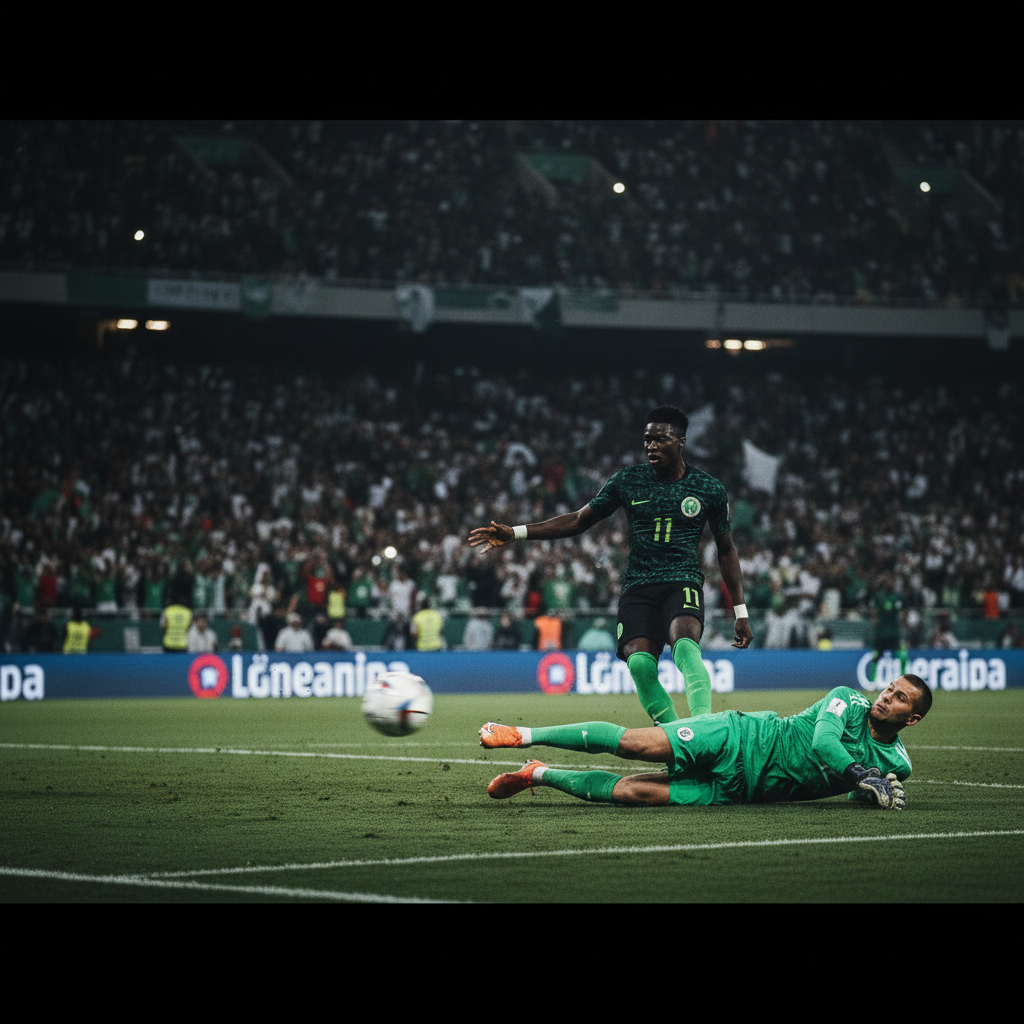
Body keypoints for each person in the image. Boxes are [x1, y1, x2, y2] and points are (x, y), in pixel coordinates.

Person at [470, 405, 752, 724]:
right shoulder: (628, 481)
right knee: (640, 665)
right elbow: (578, 520)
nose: (651, 446)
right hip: (638, 587)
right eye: (647, 440)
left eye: (660, 439)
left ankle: (704, 729)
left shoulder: (708, 488)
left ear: (682, 441)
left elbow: (726, 551)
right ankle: (677, 740)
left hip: (682, 580)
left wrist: (740, 612)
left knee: (685, 647)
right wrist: (517, 532)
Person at [481, 674, 931, 811]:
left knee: (631, 792)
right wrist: (862, 774)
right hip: (741, 737)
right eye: (888, 689)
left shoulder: (897, 761)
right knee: (635, 745)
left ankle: (536, 772)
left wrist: (872, 795)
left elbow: (858, 794)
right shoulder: (847, 700)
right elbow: (823, 744)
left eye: (898, 700)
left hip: (741, 791)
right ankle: (521, 735)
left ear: (910, 719)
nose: (885, 698)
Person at [867, 573, 907, 681]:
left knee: (903, 656)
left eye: (892, 581)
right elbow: (872, 609)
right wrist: (874, 620)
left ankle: (903, 679)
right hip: (881, 633)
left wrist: (902, 621)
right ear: (884, 583)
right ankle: (872, 681)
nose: (891, 583)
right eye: (889, 581)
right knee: (876, 656)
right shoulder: (878, 596)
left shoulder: (898, 596)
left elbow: (903, 612)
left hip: (895, 632)